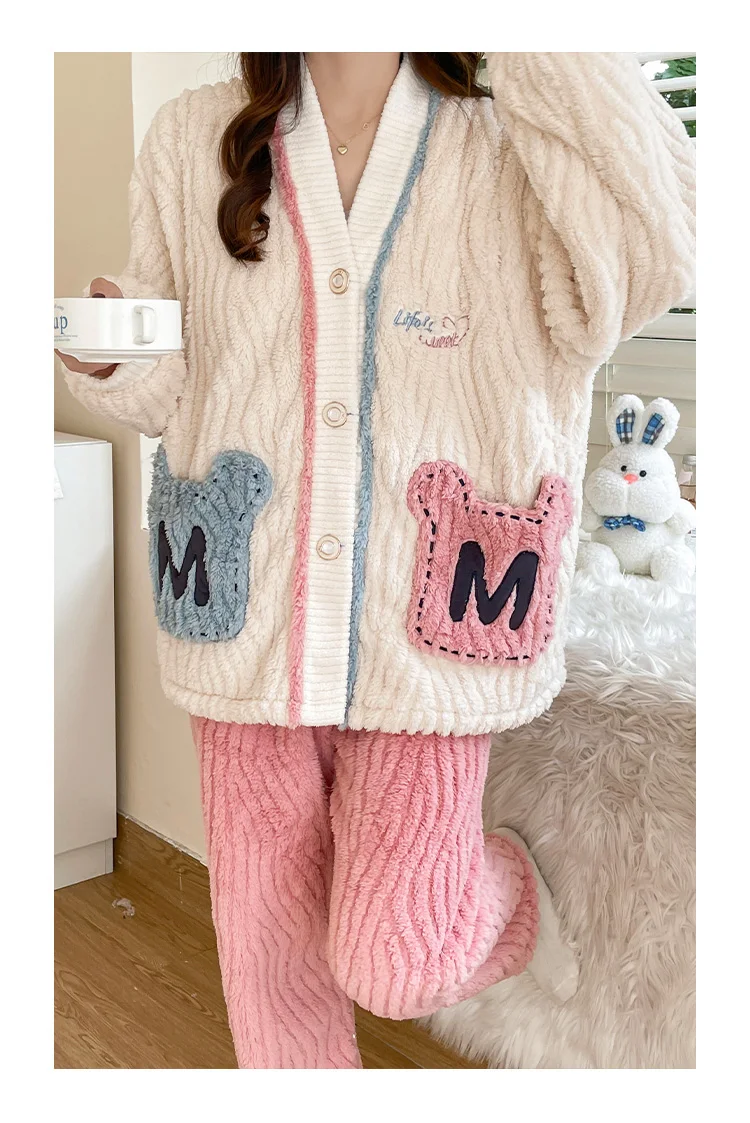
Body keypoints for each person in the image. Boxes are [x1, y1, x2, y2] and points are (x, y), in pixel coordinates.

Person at [58, 52, 696, 1069]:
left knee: (399, 957)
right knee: (269, 952)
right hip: (247, 614)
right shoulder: (193, 134)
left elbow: (658, 254)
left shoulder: (514, 133)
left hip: (436, 619)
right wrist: (115, 361)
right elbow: (170, 384)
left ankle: (505, 896)